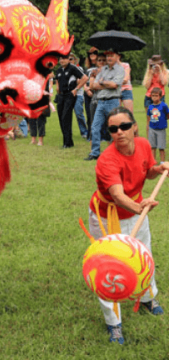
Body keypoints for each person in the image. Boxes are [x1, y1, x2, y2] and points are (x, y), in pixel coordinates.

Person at [88, 107, 166, 345]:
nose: (119, 132)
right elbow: (119, 196)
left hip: (136, 211)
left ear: (134, 127)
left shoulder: (142, 144)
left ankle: (147, 298)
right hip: (107, 217)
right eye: (113, 129)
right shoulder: (107, 160)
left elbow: (146, 172)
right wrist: (139, 208)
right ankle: (114, 324)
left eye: (123, 126)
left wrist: (158, 169)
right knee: (108, 269)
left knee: (144, 254)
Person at [85, 48, 124, 161]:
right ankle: (95, 153)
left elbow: (114, 85)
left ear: (117, 56)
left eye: (111, 55)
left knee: (113, 127)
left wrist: (102, 82)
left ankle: (115, 153)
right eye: (107, 56)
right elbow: (93, 86)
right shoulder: (103, 70)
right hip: (101, 102)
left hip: (112, 101)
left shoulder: (120, 70)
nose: (109, 58)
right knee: (95, 127)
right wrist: (105, 84)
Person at [55, 54, 87, 148]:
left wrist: (76, 89)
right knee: (61, 117)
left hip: (70, 95)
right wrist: (58, 89)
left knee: (66, 117)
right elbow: (57, 80)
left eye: (64, 58)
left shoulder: (73, 68)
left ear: (68, 59)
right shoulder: (59, 70)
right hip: (61, 95)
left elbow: (85, 78)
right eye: (60, 58)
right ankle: (68, 141)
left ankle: (67, 143)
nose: (62, 61)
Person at [146, 87, 169, 163]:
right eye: (153, 96)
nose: (154, 97)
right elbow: (149, 117)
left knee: (161, 147)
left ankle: (162, 161)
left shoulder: (164, 106)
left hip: (161, 129)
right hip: (152, 129)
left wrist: (163, 120)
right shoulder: (150, 106)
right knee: (153, 147)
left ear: (160, 96)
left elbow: (168, 115)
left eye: (156, 95)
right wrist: (148, 126)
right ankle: (153, 161)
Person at [69, 53, 88, 138]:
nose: (70, 61)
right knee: (67, 115)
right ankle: (68, 133)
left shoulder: (78, 68)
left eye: (71, 59)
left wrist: (73, 83)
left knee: (79, 113)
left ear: (74, 60)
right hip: (67, 95)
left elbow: (81, 80)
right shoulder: (64, 69)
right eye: (68, 59)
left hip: (78, 94)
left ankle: (84, 132)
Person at [28, 80, 51, 146]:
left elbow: (44, 88)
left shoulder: (44, 75)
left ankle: (40, 140)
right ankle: (33, 139)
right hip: (31, 98)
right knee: (31, 119)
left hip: (41, 99)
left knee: (41, 119)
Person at [84, 48, 99, 138]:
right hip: (88, 93)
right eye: (90, 54)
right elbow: (84, 81)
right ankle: (89, 134)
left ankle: (99, 134)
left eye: (94, 53)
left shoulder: (100, 66)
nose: (92, 55)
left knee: (97, 115)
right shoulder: (87, 68)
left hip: (97, 92)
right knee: (89, 115)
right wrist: (87, 90)